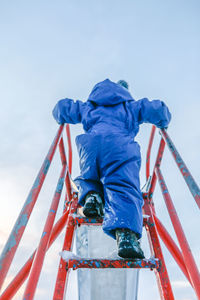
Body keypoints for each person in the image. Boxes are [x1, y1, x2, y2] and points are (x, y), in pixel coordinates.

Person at [52, 78, 171, 259]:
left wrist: (59, 114)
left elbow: (62, 107)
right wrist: (164, 121)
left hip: (90, 146)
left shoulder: (89, 107)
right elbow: (157, 110)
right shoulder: (130, 106)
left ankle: (92, 198)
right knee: (122, 187)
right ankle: (126, 236)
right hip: (120, 148)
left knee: (88, 177)